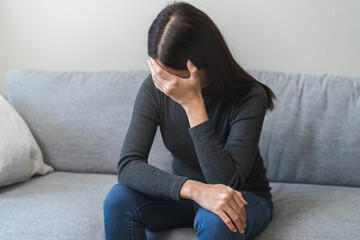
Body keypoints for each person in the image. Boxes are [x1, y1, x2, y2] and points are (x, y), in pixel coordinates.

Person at [103, 1, 276, 239]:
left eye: (174, 78)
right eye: (160, 74)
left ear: (205, 64)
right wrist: (193, 189)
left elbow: (227, 182)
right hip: (187, 196)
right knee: (117, 199)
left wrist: (193, 105)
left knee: (215, 219)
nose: (166, 85)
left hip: (242, 196)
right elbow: (128, 166)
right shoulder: (155, 88)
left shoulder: (249, 96)